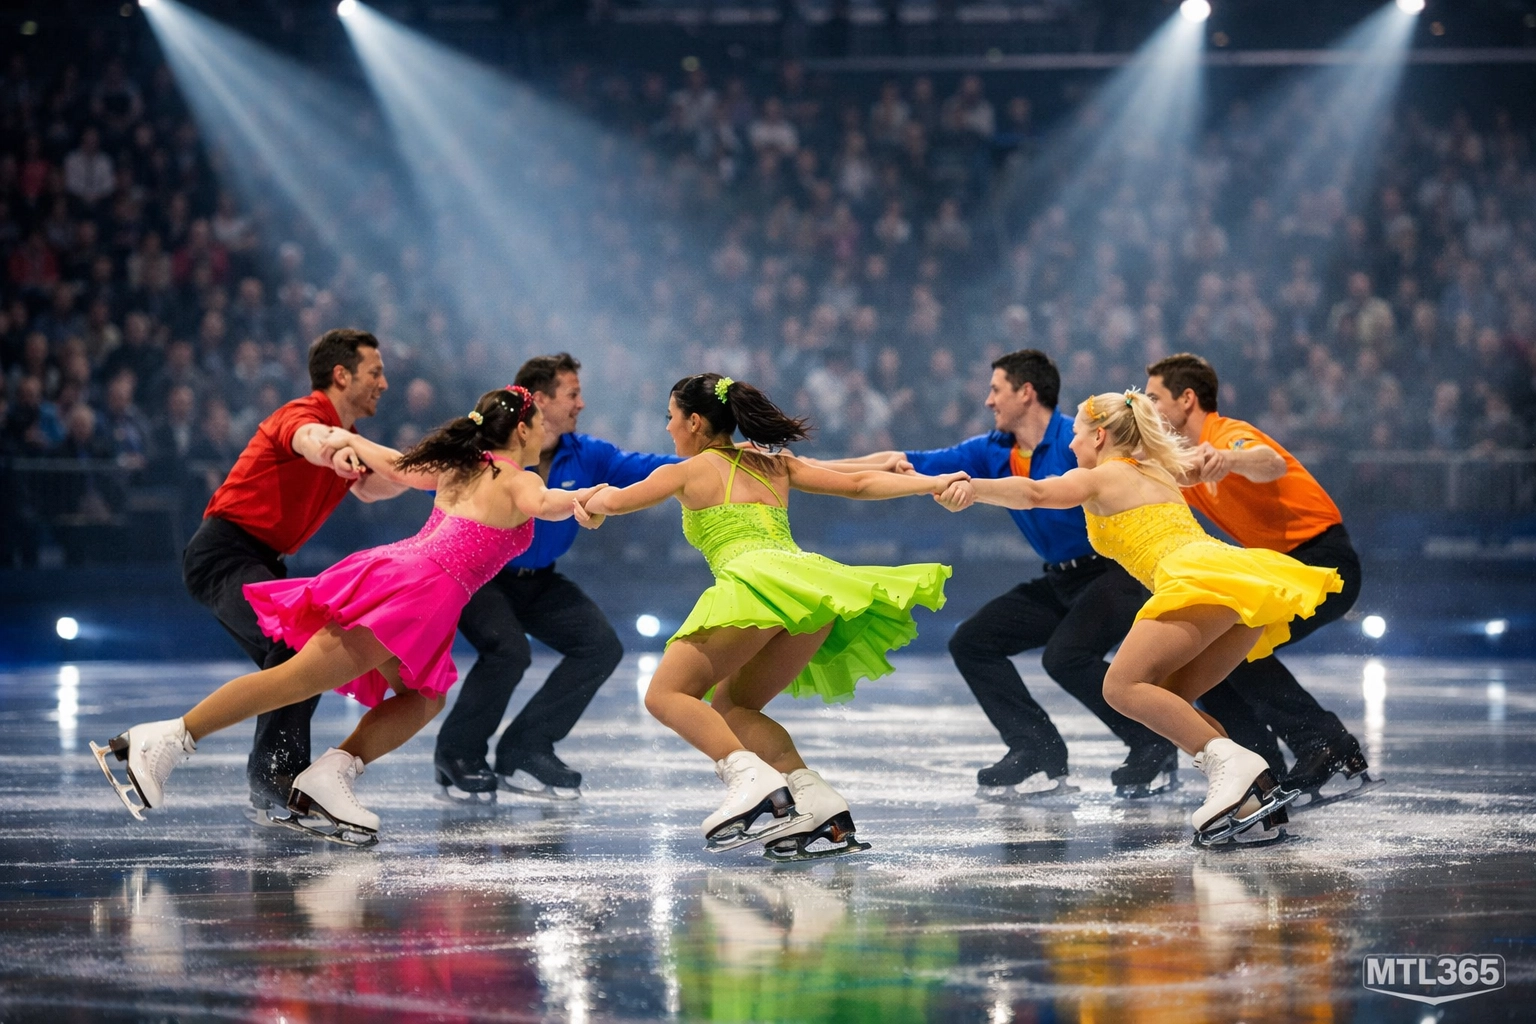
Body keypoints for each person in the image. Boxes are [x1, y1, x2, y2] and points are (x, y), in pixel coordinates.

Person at [93, 387, 600, 845]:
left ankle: (331, 774)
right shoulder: (517, 479)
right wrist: (592, 501)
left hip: (412, 582)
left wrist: (340, 435)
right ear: (522, 429)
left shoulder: (462, 464)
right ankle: (163, 740)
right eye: (542, 425)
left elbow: (395, 463)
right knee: (291, 681)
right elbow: (549, 502)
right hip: (415, 593)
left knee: (424, 697)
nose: (547, 434)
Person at [580, 373, 963, 860]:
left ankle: (751, 779)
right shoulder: (772, 465)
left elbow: (611, 501)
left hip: (754, 586)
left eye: (671, 418)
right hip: (808, 594)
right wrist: (932, 482)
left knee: (666, 694)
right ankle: (816, 801)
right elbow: (859, 483)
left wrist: (584, 504)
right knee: (735, 707)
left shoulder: (684, 472)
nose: (668, 428)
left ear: (695, 422)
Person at [938, 390, 1342, 846]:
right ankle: (1251, 795)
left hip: (1195, 579)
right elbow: (1239, 465)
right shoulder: (1157, 466)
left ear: (1101, 436)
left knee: (1120, 687)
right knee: (1170, 699)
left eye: (1076, 435)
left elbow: (1033, 492)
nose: (1071, 446)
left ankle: (1238, 768)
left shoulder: (1103, 476)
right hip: (1232, 581)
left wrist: (973, 488)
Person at [824, 350, 1177, 799]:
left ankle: (1153, 742)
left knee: (1066, 657)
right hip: (1062, 579)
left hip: (1118, 571)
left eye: (996, 390)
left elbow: (1058, 490)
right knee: (973, 641)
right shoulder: (990, 449)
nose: (989, 401)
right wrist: (802, 469)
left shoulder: (1082, 438)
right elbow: (898, 460)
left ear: (1026, 392)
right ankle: (1036, 749)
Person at [333, 353, 679, 801]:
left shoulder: (589, 453)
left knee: (600, 646)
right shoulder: (487, 459)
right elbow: (404, 471)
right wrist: (351, 453)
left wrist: (718, 458)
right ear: (537, 403)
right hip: (480, 578)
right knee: (508, 651)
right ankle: (457, 755)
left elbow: (652, 465)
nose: (581, 404)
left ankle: (525, 749)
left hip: (538, 579)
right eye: (572, 394)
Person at [179, 328, 410, 827]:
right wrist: (333, 450)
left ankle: (274, 781)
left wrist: (425, 469)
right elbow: (309, 440)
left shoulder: (347, 438)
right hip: (223, 553)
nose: (384, 384)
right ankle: (276, 776)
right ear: (341, 374)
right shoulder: (303, 416)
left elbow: (373, 489)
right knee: (293, 646)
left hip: (257, 558)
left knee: (298, 650)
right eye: (375, 372)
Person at [1145, 354, 1374, 804]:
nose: (1149, 407)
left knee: (1237, 646)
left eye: (1154, 397)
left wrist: (1228, 459)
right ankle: (1260, 765)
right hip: (1287, 569)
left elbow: (1269, 463)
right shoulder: (1190, 462)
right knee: (1215, 651)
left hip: (1322, 564)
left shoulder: (1226, 435)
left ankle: (1321, 742)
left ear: (1187, 399)